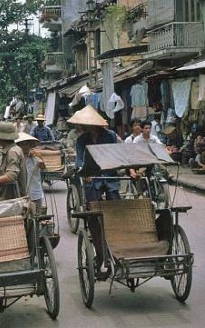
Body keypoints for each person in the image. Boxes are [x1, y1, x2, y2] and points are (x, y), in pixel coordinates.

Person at [67, 104, 120, 278]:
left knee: (117, 213)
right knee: (93, 216)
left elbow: (118, 155)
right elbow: (80, 160)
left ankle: (118, 249)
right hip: (92, 180)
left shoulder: (110, 136)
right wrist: (85, 172)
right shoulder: (82, 140)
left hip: (110, 177)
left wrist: (129, 170)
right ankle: (99, 253)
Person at [15, 132, 46, 211]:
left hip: (35, 191)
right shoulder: (16, 157)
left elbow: (43, 167)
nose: (25, 147)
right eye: (22, 144)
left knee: (37, 216)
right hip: (20, 193)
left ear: (29, 145)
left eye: (26, 144)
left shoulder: (36, 155)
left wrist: (40, 161)